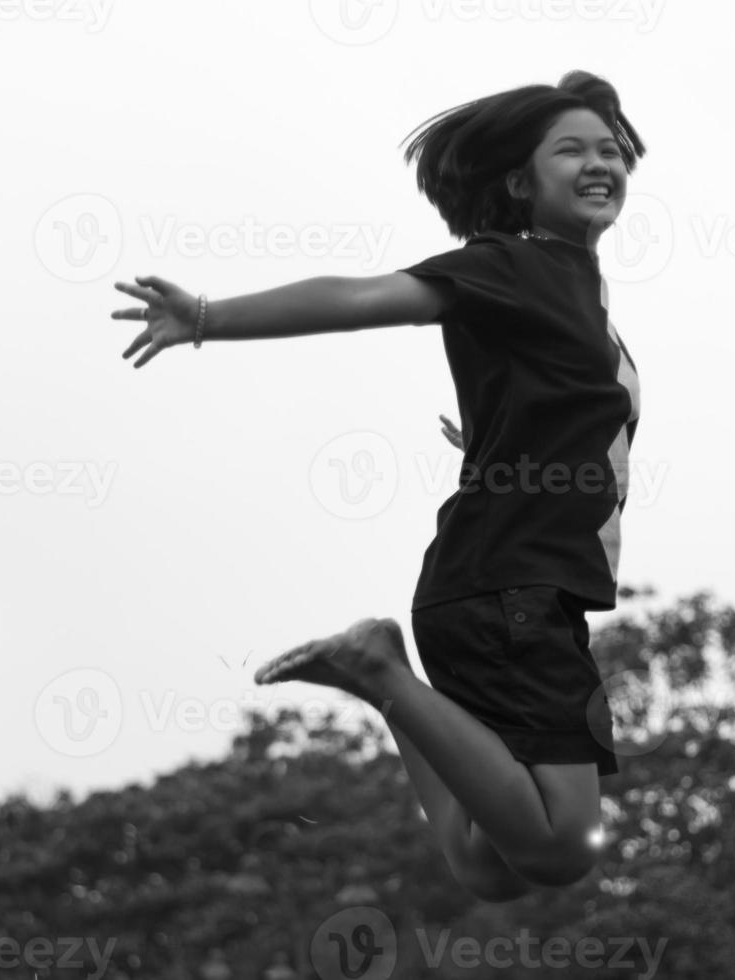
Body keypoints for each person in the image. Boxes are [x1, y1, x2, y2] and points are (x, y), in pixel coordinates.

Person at [110, 69, 645, 903]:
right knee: (562, 845)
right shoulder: (514, 266)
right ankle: (379, 669)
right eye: (569, 149)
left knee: (484, 867)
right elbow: (366, 296)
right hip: (511, 590)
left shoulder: (575, 293)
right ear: (517, 182)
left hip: (504, 587)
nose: (598, 162)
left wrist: (504, 440)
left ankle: (385, 681)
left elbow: (569, 411)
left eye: (609, 149)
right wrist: (209, 316)